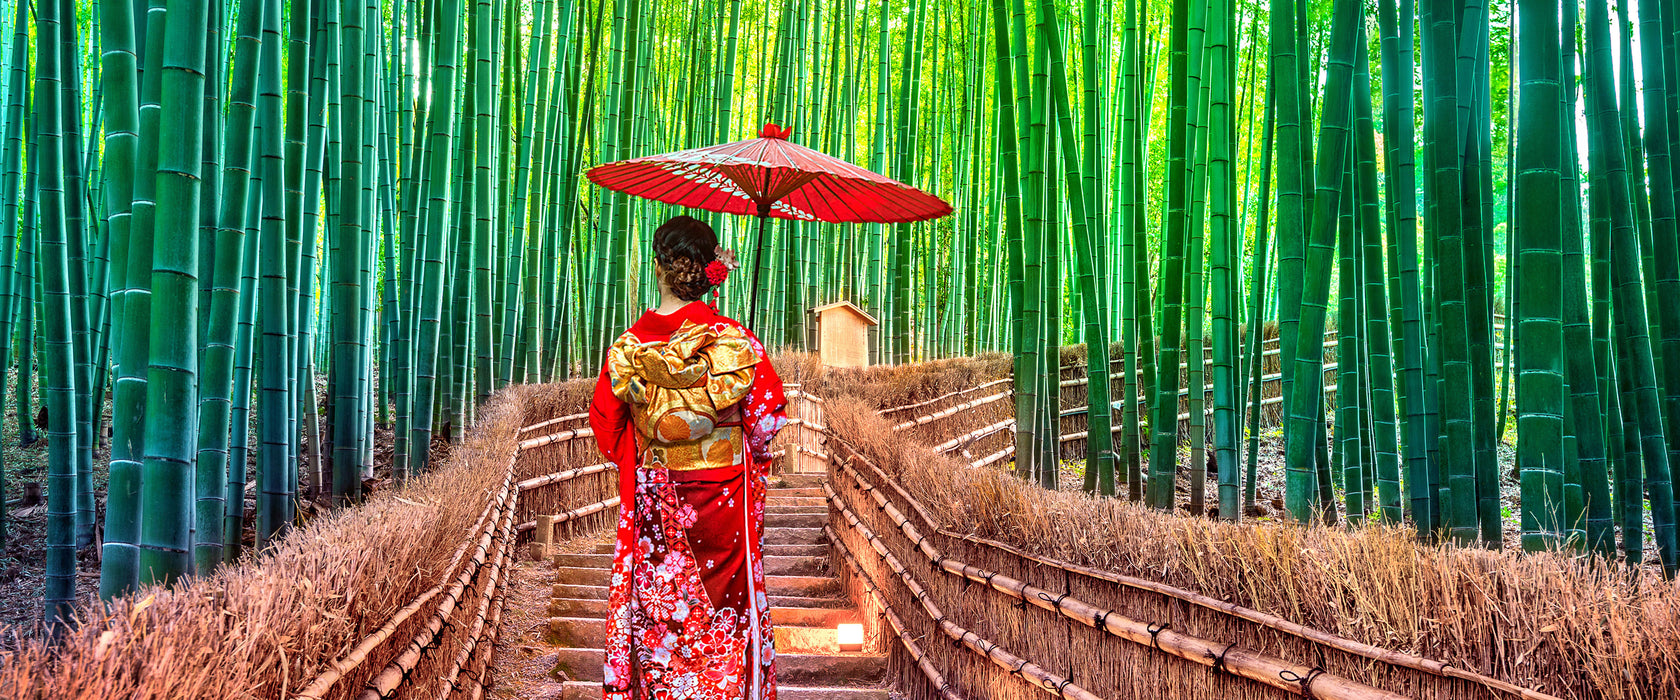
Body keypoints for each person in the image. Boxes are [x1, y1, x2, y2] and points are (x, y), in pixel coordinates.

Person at [588, 214, 788, 700]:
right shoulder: (735, 342)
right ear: (709, 271)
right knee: (726, 611)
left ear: (658, 269)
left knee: (659, 612)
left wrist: (656, 445)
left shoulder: (629, 347)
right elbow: (765, 422)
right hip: (723, 500)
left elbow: (608, 429)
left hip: (659, 501)